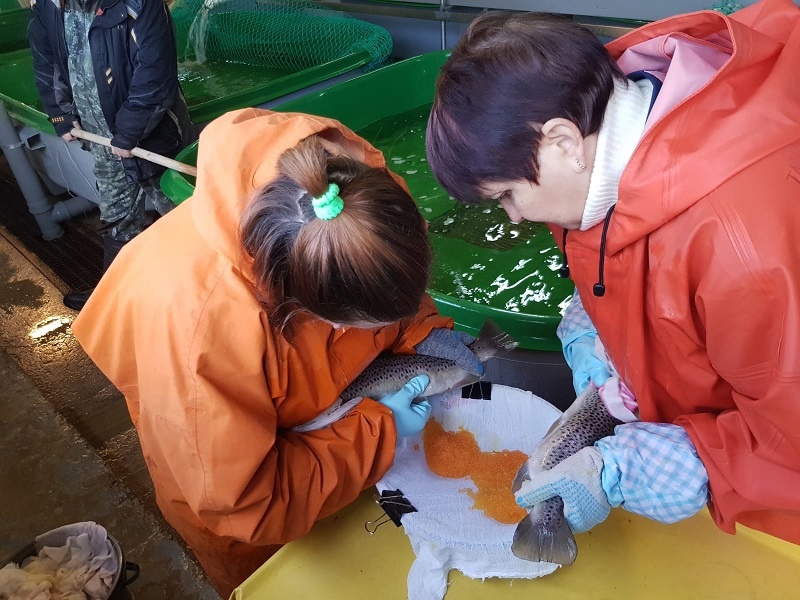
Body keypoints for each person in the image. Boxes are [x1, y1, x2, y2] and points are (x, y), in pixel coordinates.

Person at [426, 0, 800, 547]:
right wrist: (604, 329)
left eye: (506, 195)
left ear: (561, 142)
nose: (513, 217)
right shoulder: (600, 143)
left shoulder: (744, 251)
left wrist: (663, 466)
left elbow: (791, 443)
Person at [70, 108, 483, 596]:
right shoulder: (197, 333)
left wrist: (423, 334)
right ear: (305, 307)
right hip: (248, 499)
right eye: (366, 323)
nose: (385, 326)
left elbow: (387, 283)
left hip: (335, 429)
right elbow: (250, 505)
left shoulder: (351, 193)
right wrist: (380, 430)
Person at [28, 0, 195, 310]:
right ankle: (115, 293)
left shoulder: (141, 4)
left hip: (155, 136)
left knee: (182, 210)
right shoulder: (47, 7)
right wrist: (60, 115)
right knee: (116, 211)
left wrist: (129, 132)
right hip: (103, 140)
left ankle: (202, 293)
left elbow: (156, 74)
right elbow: (46, 62)